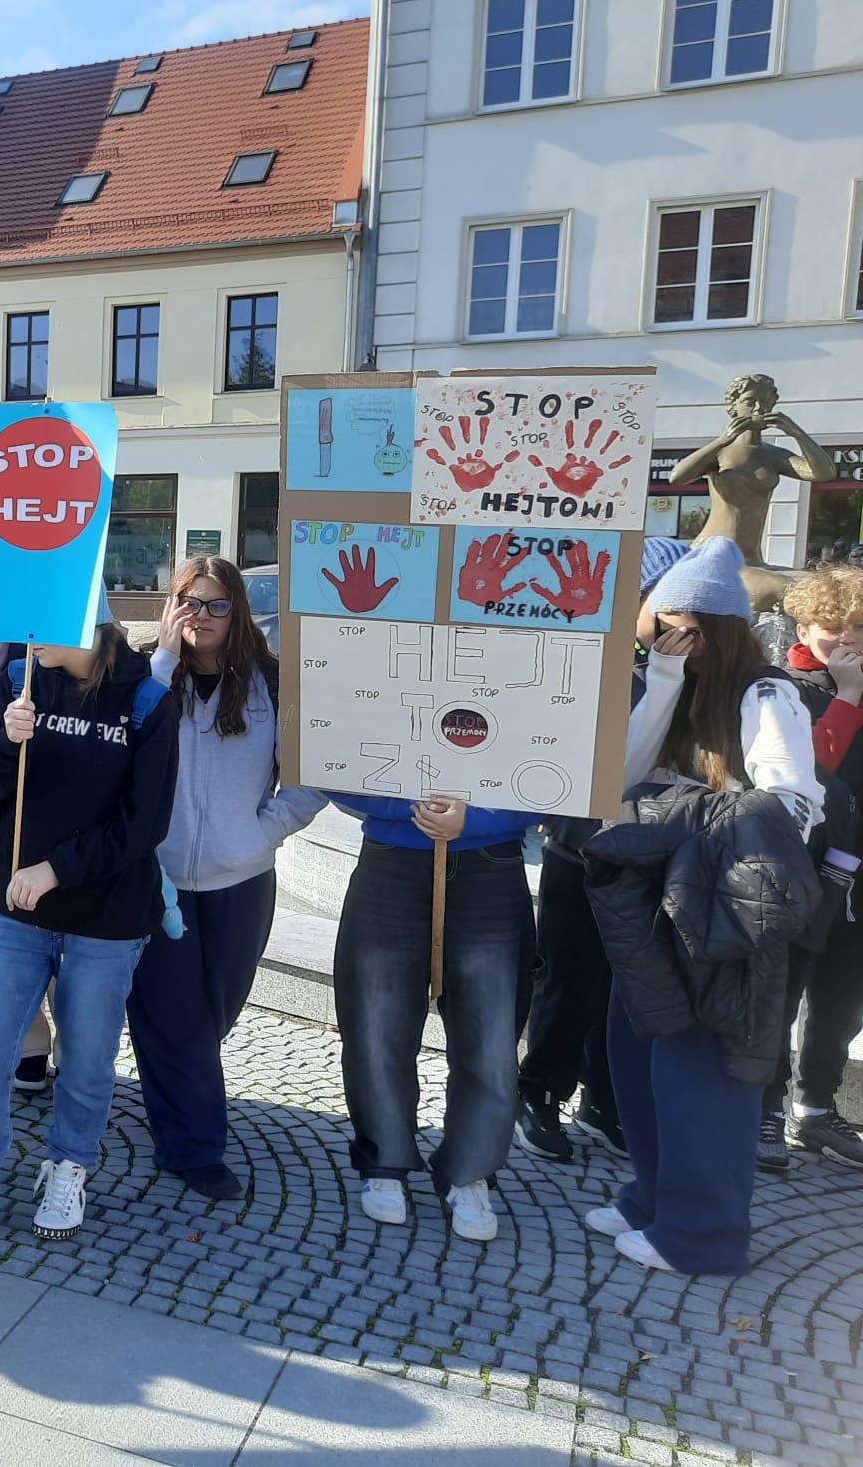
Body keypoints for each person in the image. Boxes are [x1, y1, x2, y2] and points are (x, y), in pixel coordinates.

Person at [586, 537, 822, 1274]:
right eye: (664, 627)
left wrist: (696, 823)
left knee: (703, 1071)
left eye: (686, 629)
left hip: (724, 905)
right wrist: (661, 679)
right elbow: (619, 777)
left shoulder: (765, 695)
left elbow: (793, 801)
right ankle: (655, 1200)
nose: (671, 640)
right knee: (638, 1053)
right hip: (659, 898)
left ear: (720, 629)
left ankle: (703, 1234)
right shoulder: (675, 683)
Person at [0, 605, 177, 1245]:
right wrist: (6, 740)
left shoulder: (148, 701)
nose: (29, 638)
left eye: (46, 623)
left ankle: (67, 1166)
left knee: (86, 1060)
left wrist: (57, 869)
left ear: (90, 624)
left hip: (107, 917)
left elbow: (144, 824)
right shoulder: (18, 682)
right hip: (13, 908)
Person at [132, 557, 323, 1201]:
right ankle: (195, 1148)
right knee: (172, 1013)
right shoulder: (146, 677)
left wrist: (261, 834)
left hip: (241, 880)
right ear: (171, 606)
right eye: (190, 601)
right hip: (157, 879)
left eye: (217, 604)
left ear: (238, 611)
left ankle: (180, 1108)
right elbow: (120, 746)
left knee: (215, 1012)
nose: (203, 616)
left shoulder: (274, 683)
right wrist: (162, 661)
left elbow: (307, 782)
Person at [515, 536, 692, 1164]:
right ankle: (539, 1091)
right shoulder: (592, 660)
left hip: (659, 853)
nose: (679, 623)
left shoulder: (699, 669)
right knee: (567, 977)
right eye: (664, 604)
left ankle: (606, 1098)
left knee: (631, 985)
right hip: (584, 847)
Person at [325, 779, 538, 1239]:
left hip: (491, 858)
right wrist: (409, 807)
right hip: (392, 855)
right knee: (376, 1020)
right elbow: (331, 762)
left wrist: (481, 819)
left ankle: (470, 1168)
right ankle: (384, 1159)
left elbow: (566, 777)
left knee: (490, 1028)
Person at [759, 566, 863, 1169]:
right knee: (781, 987)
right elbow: (812, 769)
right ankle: (765, 1106)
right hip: (801, 864)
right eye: (832, 626)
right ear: (802, 628)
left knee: (842, 995)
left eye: (859, 627)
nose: (846, 639)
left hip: (856, 867)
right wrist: (846, 696)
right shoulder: (782, 686)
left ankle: (816, 1106)